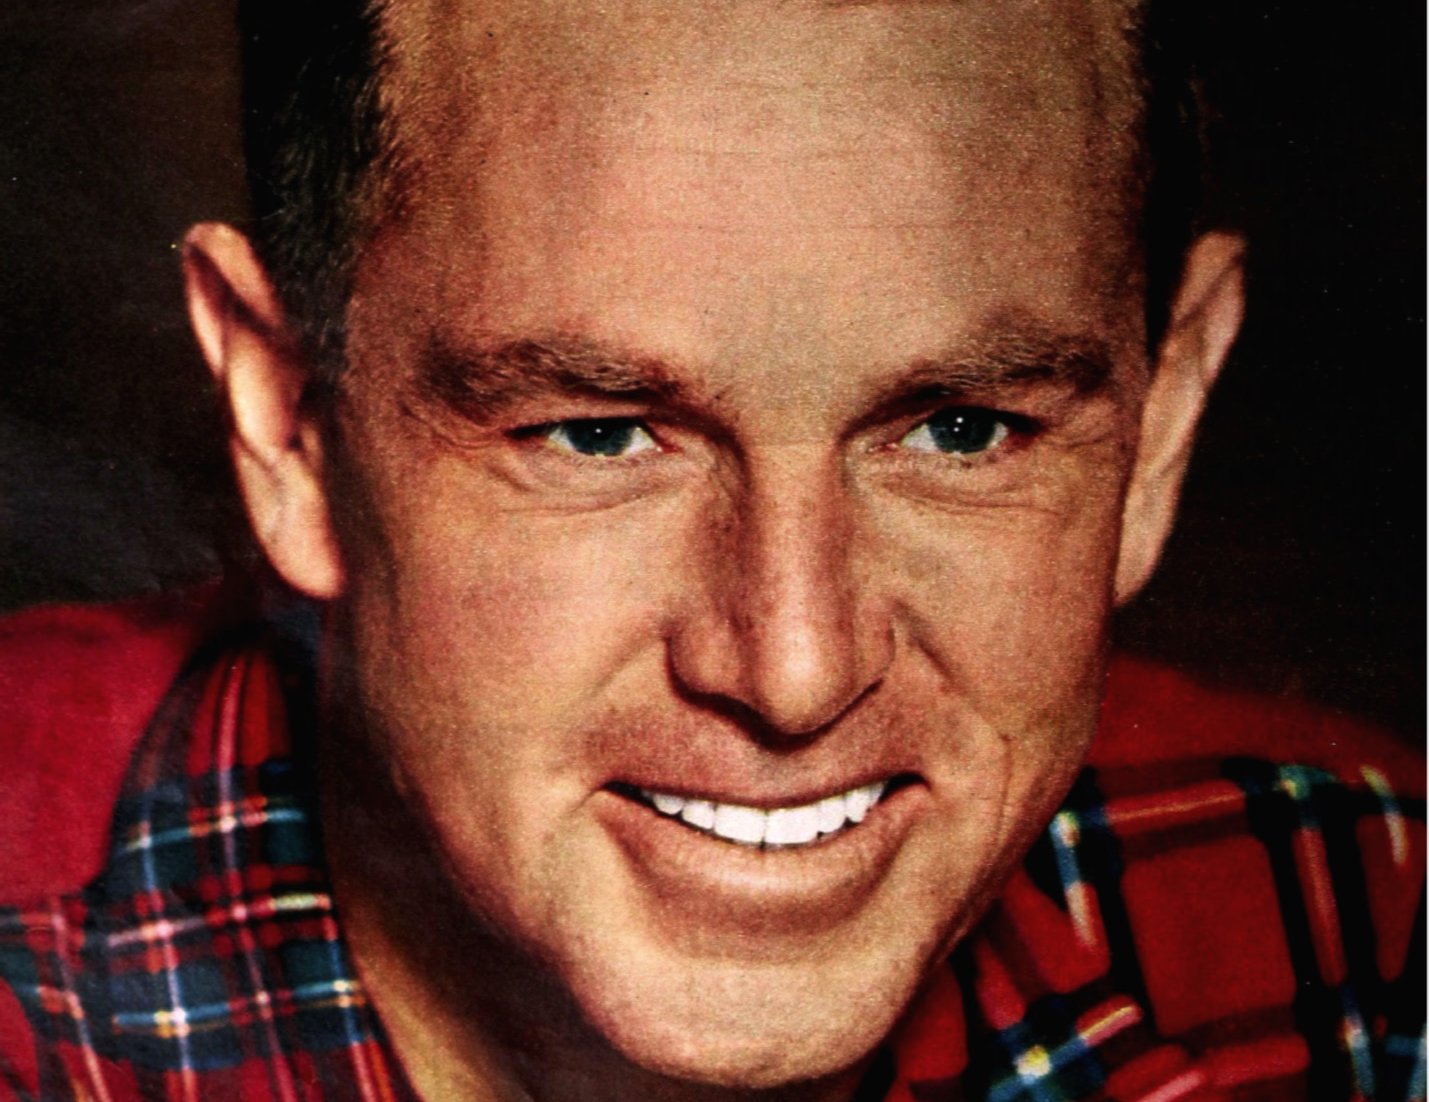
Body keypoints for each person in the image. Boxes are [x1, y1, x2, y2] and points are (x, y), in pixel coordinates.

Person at [0, 1, 1421, 1100]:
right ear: (291, 420)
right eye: (598, 434)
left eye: (962, 430)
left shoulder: (1368, 918)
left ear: (1161, 421)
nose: (794, 669)